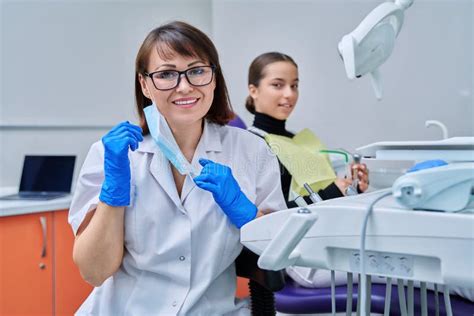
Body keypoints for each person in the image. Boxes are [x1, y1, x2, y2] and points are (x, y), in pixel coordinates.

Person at [69, 22, 286, 315]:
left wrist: (247, 214)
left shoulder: (251, 151)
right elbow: (94, 272)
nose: (184, 86)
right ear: (145, 84)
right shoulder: (113, 155)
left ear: (214, 78)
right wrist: (114, 192)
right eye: (166, 74)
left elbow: (281, 256)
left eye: (197, 70)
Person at [245, 52, 369, 209]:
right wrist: (333, 192)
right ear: (253, 90)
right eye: (277, 85)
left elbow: (325, 188)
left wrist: (351, 186)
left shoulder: (300, 141)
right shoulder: (249, 145)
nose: (289, 94)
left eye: (294, 85)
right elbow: (265, 214)